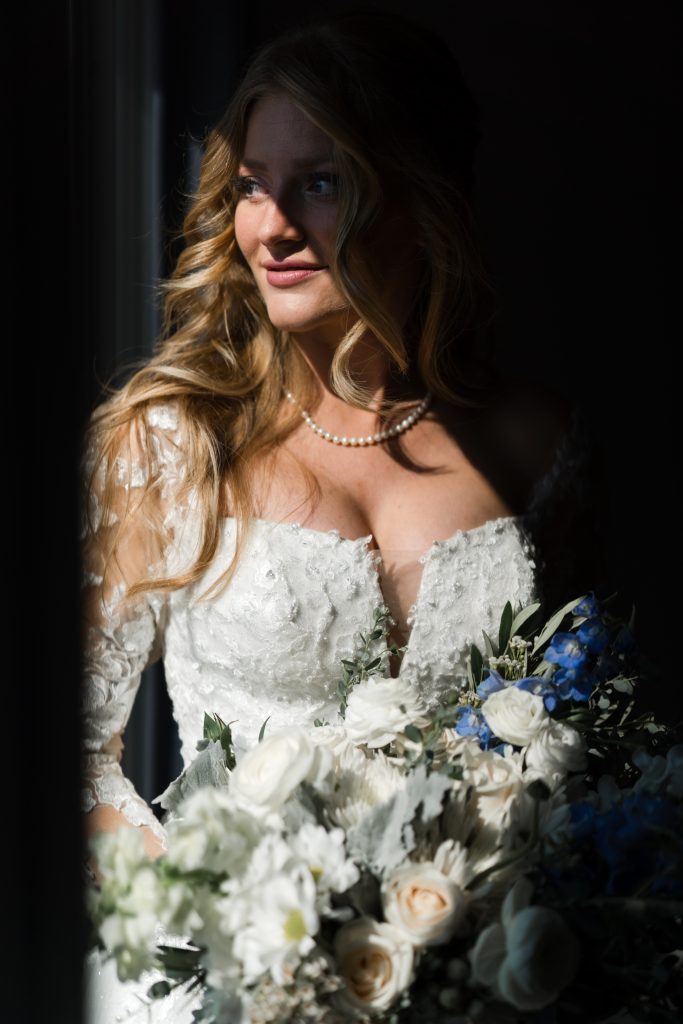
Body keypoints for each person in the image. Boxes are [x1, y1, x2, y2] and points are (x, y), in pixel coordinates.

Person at [81, 10, 602, 1022]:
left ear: (418, 195)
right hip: (222, 980)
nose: (271, 224)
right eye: (248, 183)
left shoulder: (537, 447)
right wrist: (219, 931)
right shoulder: (173, 442)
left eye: (318, 182)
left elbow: (585, 744)